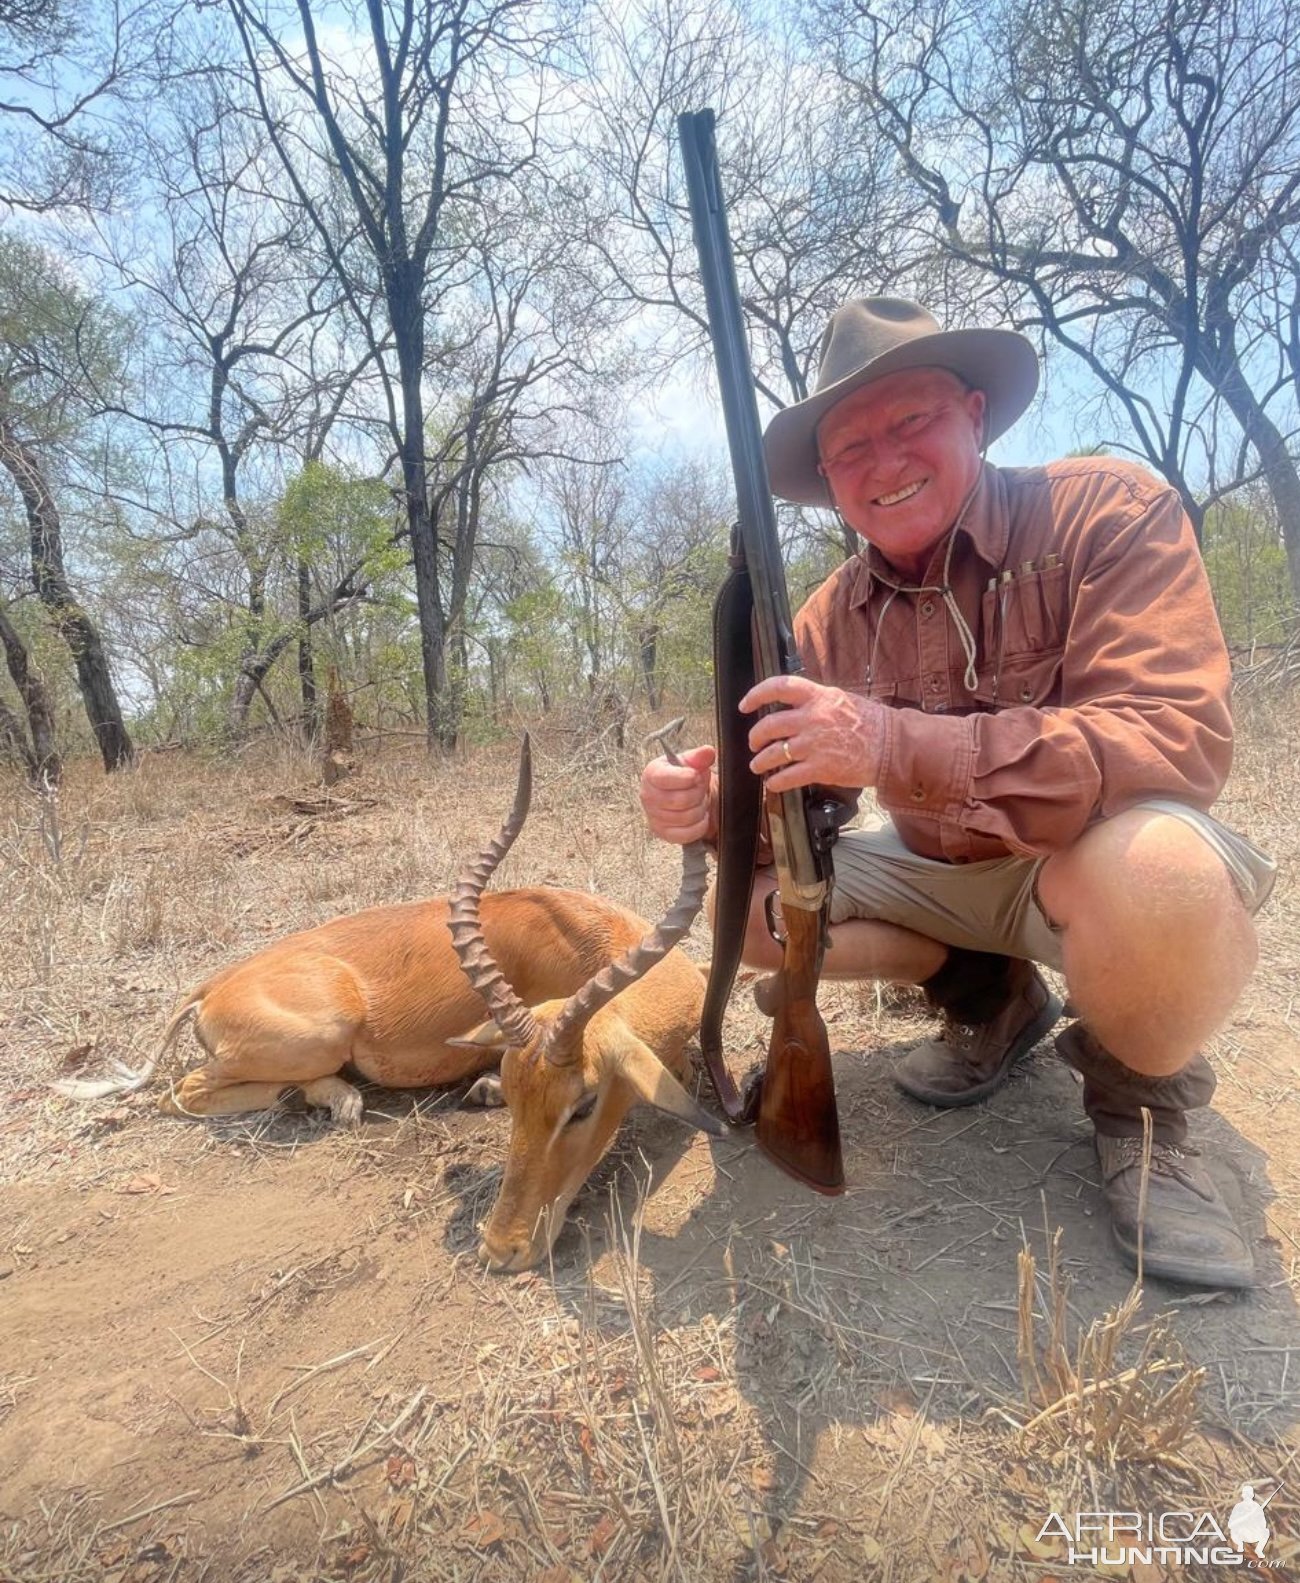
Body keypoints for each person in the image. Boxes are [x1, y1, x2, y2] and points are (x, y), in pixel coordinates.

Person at [640, 296, 1276, 1290]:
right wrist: (710, 801)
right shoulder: (821, 615)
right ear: (828, 484)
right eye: (850, 448)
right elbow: (794, 811)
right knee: (761, 913)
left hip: (1086, 870)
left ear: (974, 413)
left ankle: (1140, 1106)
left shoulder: (1108, 509)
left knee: (1162, 875)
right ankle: (989, 998)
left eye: (910, 422)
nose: (882, 463)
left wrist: (891, 742)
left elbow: (1171, 744)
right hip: (942, 874)